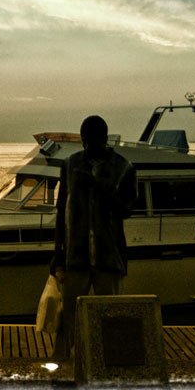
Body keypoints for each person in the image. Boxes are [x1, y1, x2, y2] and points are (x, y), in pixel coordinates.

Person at [48, 115, 137, 360]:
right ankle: (63, 367)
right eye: (87, 142)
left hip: (110, 256)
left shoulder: (124, 167)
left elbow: (125, 210)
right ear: (83, 140)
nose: (90, 147)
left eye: (95, 142)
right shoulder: (70, 165)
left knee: (110, 316)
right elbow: (60, 212)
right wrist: (57, 255)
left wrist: (97, 185)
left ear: (104, 140)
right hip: (75, 255)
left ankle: (109, 364)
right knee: (67, 319)